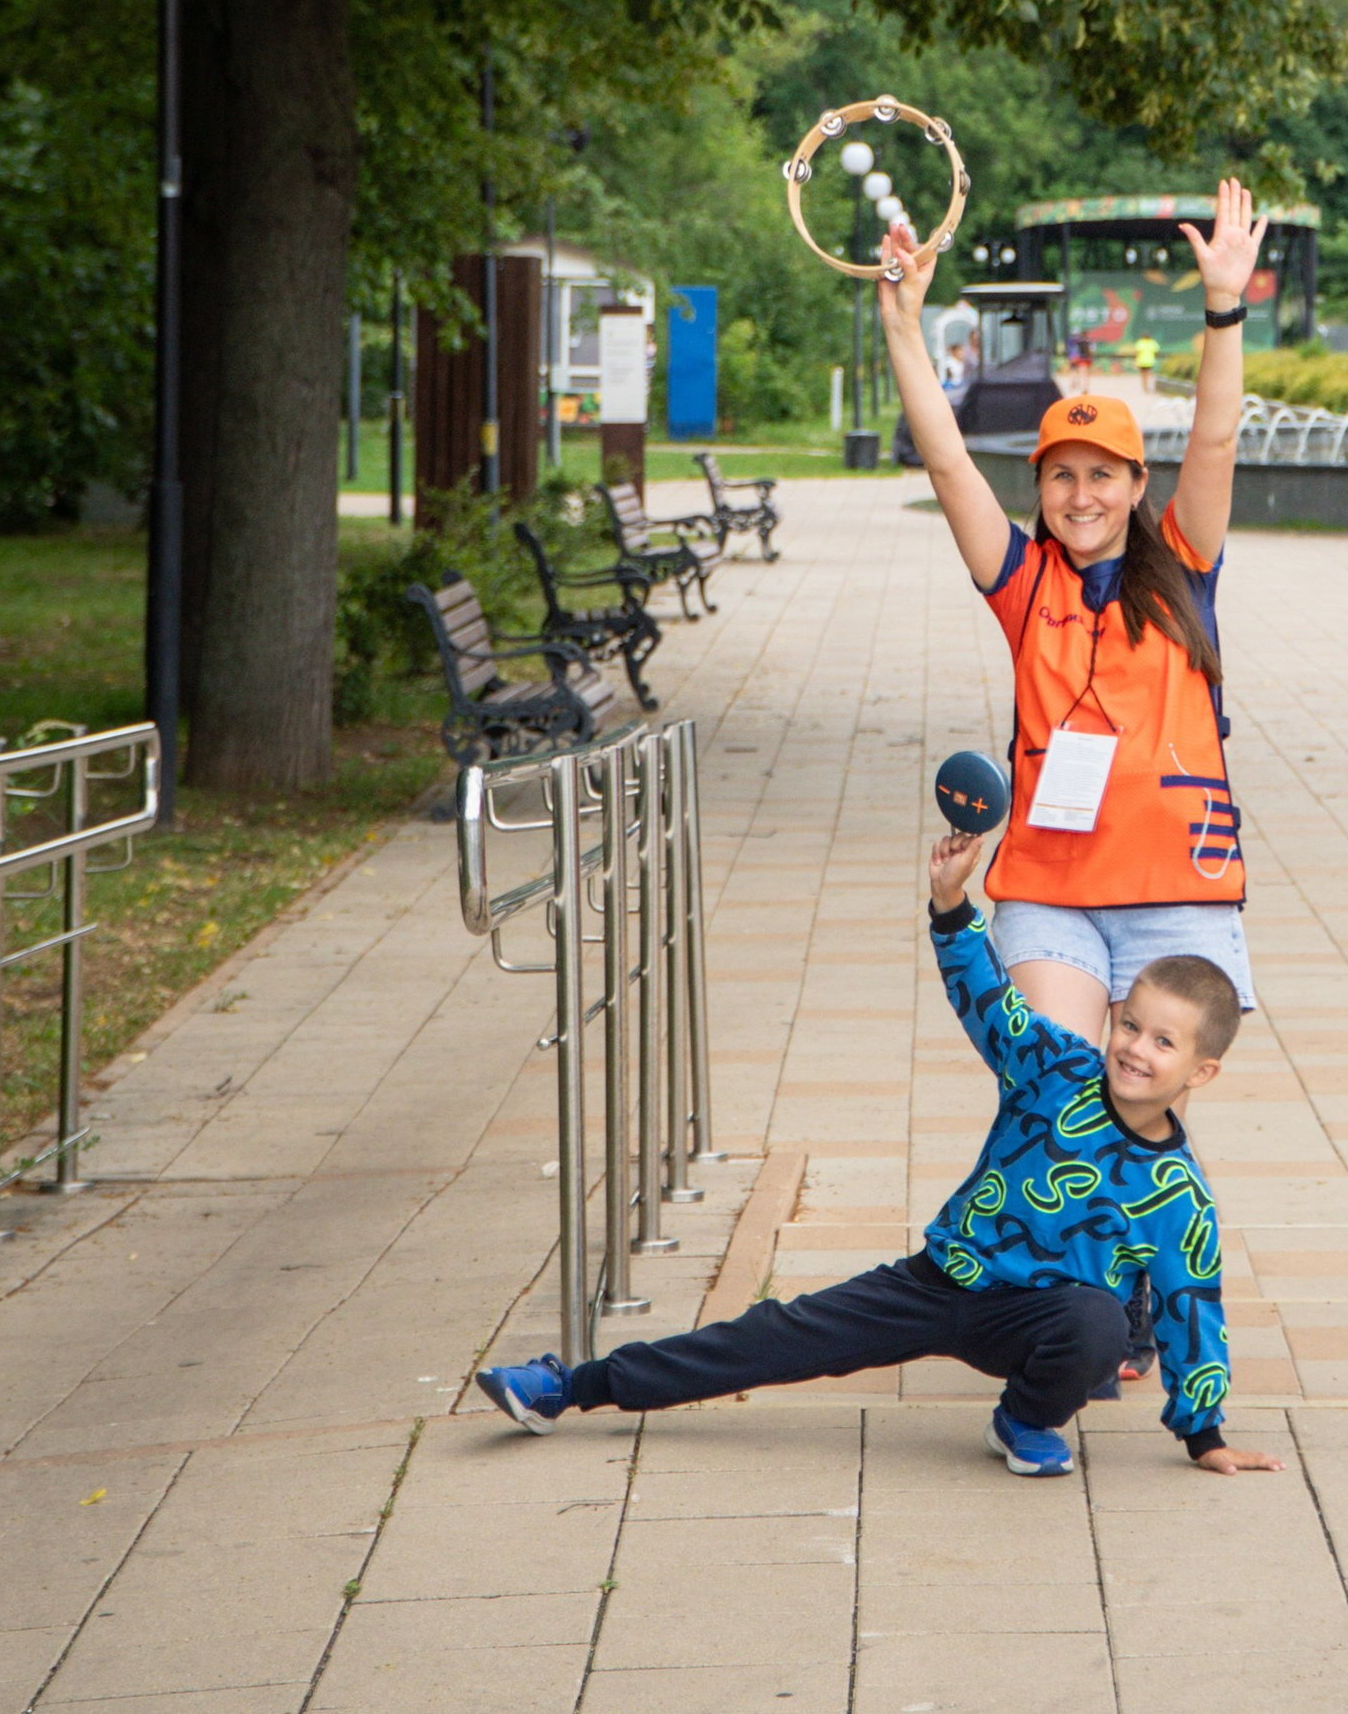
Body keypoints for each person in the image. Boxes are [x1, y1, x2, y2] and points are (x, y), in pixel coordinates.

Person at [474, 829, 1281, 1479]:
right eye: (1130, 1023)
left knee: (1100, 1322)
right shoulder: (1058, 1068)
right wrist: (951, 904)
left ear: (1201, 1071)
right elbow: (990, 1002)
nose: (1135, 1047)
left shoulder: (1179, 1196)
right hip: (937, 1282)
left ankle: (1025, 1421)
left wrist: (1203, 1433)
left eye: (1162, 1041)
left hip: (1034, 1324)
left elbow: (1189, 1309)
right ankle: (568, 1386)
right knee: (772, 1336)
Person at [876, 178, 1266, 1048]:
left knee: (1145, 1116)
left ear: (1136, 487)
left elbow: (1215, 436)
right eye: (1061, 474)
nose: (1081, 495)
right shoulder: (1024, 582)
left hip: (1181, 891)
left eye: (1102, 475)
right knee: (1058, 1096)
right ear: (1040, 486)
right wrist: (904, 326)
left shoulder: (1183, 570)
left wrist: (1223, 308)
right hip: (1052, 889)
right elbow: (946, 462)